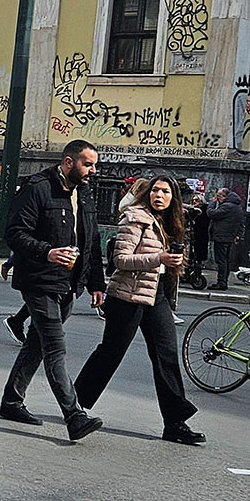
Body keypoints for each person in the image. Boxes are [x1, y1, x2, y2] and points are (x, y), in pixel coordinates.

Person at [72, 175, 204, 445]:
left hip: (155, 297)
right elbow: (120, 259)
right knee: (111, 353)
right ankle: (74, 404)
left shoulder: (171, 223)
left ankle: (175, 423)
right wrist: (159, 258)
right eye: (155, 190)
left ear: (173, 198)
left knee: (166, 356)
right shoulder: (134, 217)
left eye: (165, 191)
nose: (159, 195)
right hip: (127, 297)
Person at [0, 140, 106, 441]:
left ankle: (11, 400)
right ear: (69, 162)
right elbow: (15, 232)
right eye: (88, 164)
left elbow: (91, 241)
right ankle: (74, 415)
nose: (93, 171)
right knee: (55, 347)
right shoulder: (38, 188)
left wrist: (97, 283)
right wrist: (47, 252)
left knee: (36, 343)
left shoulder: (84, 193)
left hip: (69, 284)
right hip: (39, 280)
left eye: (94, 164)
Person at [206, 187, 246, 290]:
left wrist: (212, 204)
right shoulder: (237, 207)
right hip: (229, 237)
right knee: (225, 260)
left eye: (218, 196)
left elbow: (211, 214)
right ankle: (224, 281)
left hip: (222, 237)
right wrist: (238, 235)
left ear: (224, 196)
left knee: (221, 261)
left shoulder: (227, 206)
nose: (217, 198)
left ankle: (221, 282)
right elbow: (241, 223)